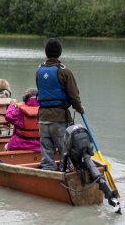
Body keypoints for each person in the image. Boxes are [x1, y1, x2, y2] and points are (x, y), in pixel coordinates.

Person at [36, 38, 85, 170]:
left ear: (46, 53)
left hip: (42, 118)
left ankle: (48, 171)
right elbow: (74, 95)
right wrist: (80, 108)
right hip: (59, 118)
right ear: (59, 53)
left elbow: (40, 91)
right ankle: (66, 172)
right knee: (65, 149)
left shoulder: (39, 70)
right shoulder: (64, 71)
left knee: (46, 151)